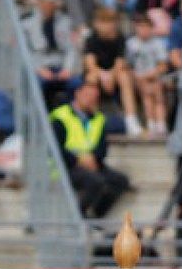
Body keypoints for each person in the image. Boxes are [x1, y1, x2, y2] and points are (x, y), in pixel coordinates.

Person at [51, 76, 130, 220]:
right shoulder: (60, 116)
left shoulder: (98, 119)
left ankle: (96, 216)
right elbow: (56, 147)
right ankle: (76, 218)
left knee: (120, 181)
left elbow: (102, 148)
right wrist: (78, 160)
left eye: (94, 97)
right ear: (78, 93)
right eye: (88, 95)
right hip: (67, 165)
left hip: (91, 164)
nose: (91, 99)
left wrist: (93, 159)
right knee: (95, 181)